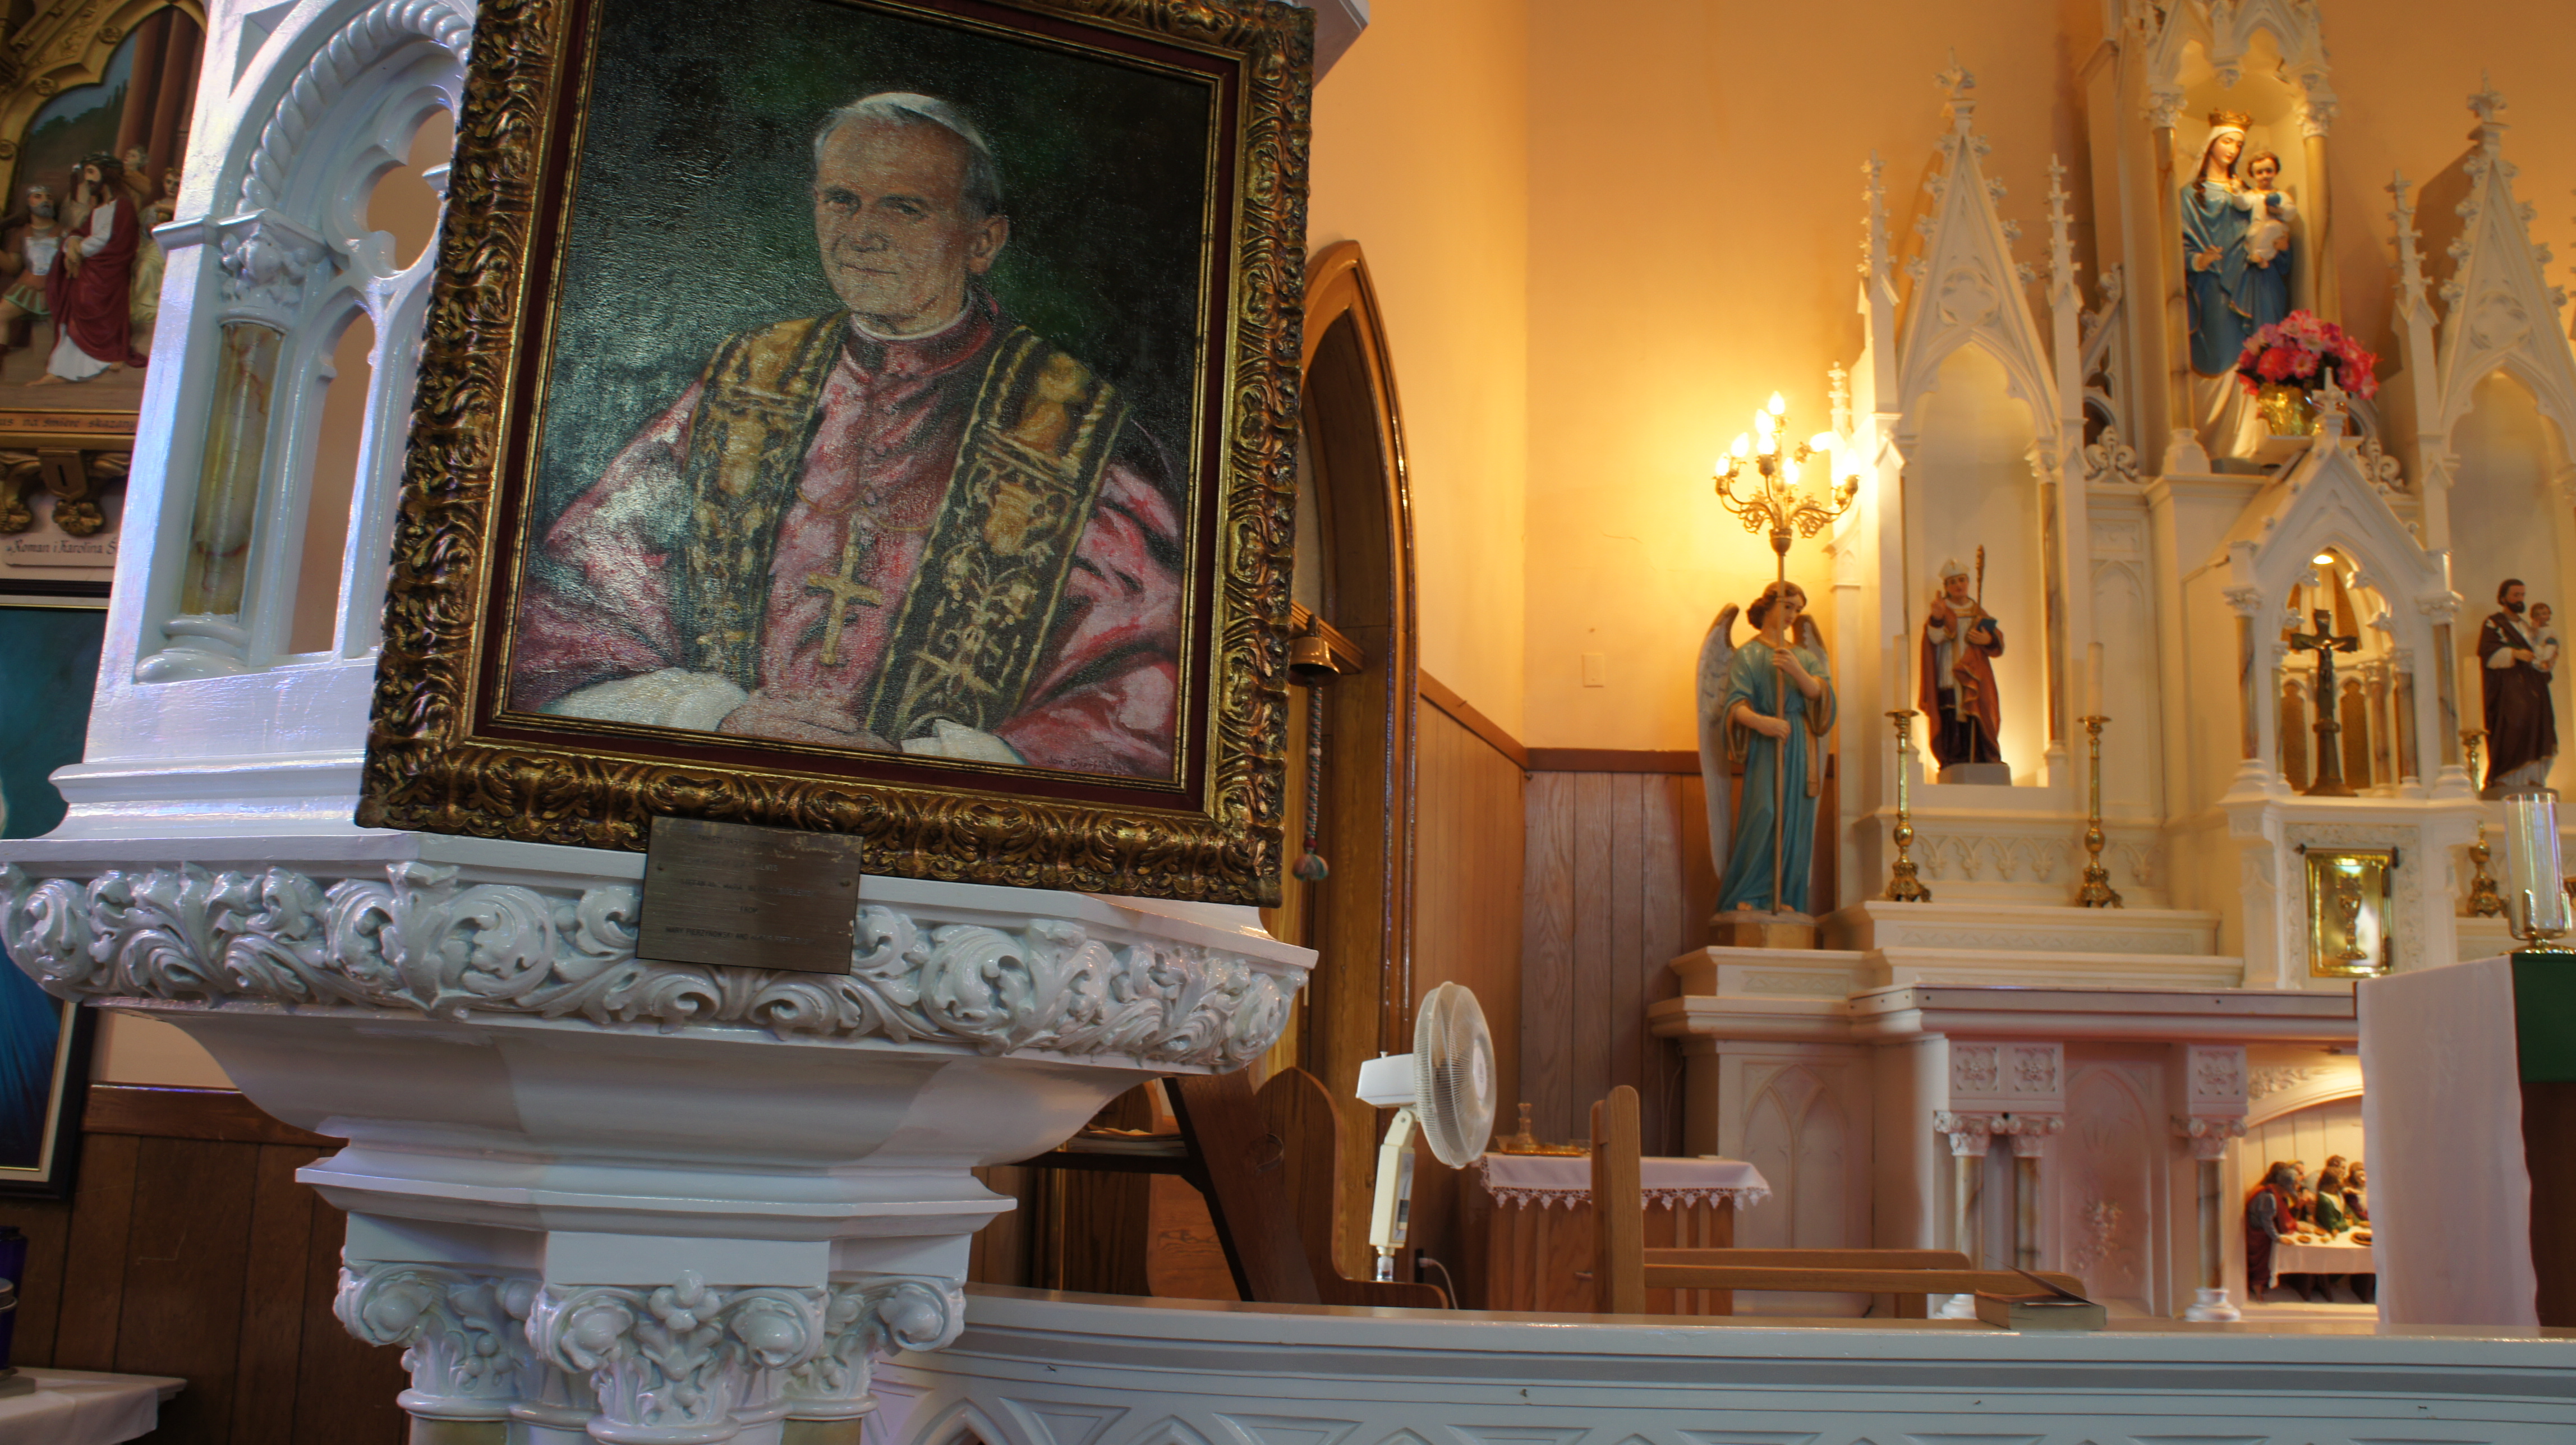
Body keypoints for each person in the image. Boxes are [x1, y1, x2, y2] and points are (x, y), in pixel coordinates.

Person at [509, 93, 1184, 777]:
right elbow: (578, 593)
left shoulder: (1076, 431)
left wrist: (913, 767)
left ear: (982, 242)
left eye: (904, 208)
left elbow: (1142, 684)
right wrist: (713, 718)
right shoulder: (745, 378)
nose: (861, 234)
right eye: (841, 200)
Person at [1712, 579, 1837, 917]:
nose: (1792, 615)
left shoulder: (1803, 656)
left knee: (1794, 820)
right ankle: (1749, 894)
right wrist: (1761, 722)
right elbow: (1735, 704)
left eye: (1798, 609)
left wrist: (1796, 670)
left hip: (1799, 742)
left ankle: (1784, 896)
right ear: (1768, 606)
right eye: (1787, 606)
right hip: (1767, 743)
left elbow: (1822, 696)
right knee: (1765, 812)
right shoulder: (1749, 654)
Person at [2182, 111, 2261, 458]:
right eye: (2227, 141)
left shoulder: (2247, 193)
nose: (2233, 150)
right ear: (2211, 143)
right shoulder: (2190, 195)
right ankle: (2215, 443)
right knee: (2217, 351)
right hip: (2212, 285)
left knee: (2252, 356)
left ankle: (2249, 442)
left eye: (2239, 145)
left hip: (2247, 281)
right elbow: (2177, 242)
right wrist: (2198, 260)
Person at [36, 154, 145, 385]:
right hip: (89, 269)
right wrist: (72, 245)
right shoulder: (99, 209)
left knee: (91, 304)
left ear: (107, 174)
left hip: (108, 272)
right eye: (86, 173)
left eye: (92, 172)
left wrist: (79, 250)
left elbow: (111, 237)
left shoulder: (123, 205)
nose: (87, 180)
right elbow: (81, 232)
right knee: (74, 307)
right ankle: (60, 369)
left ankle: (106, 356)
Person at [1919, 558, 2003, 770]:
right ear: (1946, 587)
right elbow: (1935, 638)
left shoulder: (1977, 610)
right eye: (1953, 582)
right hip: (1950, 670)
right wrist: (1937, 618)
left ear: (1969, 583)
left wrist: (1988, 639)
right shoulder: (1943, 609)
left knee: (1978, 710)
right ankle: (1954, 757)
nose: (1959, 585)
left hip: (1975, 672)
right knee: (1952, 712)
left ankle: (1979, 756)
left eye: (1962, 580)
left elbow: (1996, 641)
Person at [2480, 578, 2559, 791]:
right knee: (2514, 723)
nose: (2520, 599)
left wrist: (2547, 654)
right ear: (2503, 597)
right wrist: (2514, 654)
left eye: (2522, 595)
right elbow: (2487, 652)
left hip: (2534, 685)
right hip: (2509, 686)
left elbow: (2538, 651)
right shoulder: (2494, 623)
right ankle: (2505, 775)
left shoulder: (2526, 626)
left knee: (2539, 723)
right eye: (2516, 595)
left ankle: (2533, 777)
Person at [0, 185, 65, 360]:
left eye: (49, 197)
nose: (45, 201)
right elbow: (13, 266)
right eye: (38, 196)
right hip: (27, 286)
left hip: (55, 288)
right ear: (28, 202)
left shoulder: (64, 231)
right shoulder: (22, 233)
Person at [2235, 149, 2296, 332]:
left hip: (2274, 241)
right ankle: (2258, 256)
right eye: (2259, 172)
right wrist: (2236, 191)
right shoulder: (2253, 195)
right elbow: (2242, 203)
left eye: (2269, 171)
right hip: (2257, 245)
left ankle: (2261, 256)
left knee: (2271, 228)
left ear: (2276, 171)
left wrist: (2280, 211)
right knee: (2255, 232)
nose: (2265, 176)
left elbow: (2291, 211)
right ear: (2253, 175)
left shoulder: (2282, 195)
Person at [2246, 1161, 2299, 1301]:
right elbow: (2266, 1221)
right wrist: (2278, 1238)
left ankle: (2266, 1283)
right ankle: (2257, 1287)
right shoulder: (2268, 1197)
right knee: (2263, 1263)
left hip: (2263, 1232)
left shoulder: (2273, 1193)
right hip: (2259, 1234)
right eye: (2294, 1184)